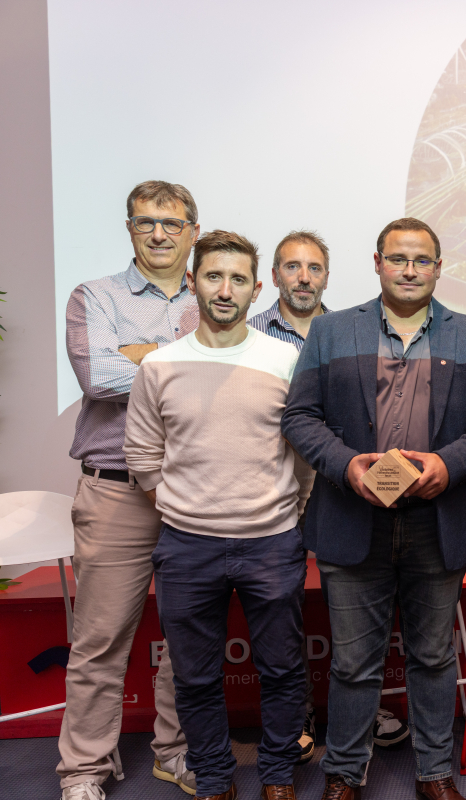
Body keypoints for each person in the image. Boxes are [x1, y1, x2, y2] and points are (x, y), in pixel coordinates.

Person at [282, 217, 466, 800]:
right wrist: (346, 466)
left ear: (438, 268)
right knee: (352, 664)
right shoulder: (331, 331)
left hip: (437, 522)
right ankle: (345, 773)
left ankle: (434, 771)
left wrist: (449, 464)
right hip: (351, 519)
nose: (409, 270)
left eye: (422, 260)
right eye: (398, 259)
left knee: (433, 657)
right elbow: (299, 417)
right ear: (377, 263)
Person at [125, 230, 312, 800]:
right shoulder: (160, 365)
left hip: (272, 542)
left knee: (282, 669)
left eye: (237, 279)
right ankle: (212, 777)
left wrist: (289, 513)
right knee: (195, 675)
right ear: (192, 281)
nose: (225, 290)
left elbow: (304, 455)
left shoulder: (286, 359)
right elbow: (143, 456)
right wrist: (185, 510)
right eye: (213, 276)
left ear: (256, 289)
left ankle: (278, 773)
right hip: (187, 545)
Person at [59, 180, 198, 800]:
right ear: (129, 228)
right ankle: (83, 770)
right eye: (146, 222)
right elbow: (98, 376)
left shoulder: (214, 294)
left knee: (189, 637)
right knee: (100, 641)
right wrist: (183, 364)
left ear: (193, 231)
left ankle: (176, 751)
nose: (159, 234)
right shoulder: (95, 296)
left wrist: (143, 355)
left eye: (172, 223)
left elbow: (224, 379)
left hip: (194, 493)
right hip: (117, 491)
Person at [249, 231, 411, 759]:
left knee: (356, 605)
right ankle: (296, 715)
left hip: (342, 484)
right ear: (274, 275)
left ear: (327, 276)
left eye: (314, 268)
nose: (303, 278)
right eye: (292, 267)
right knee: (282, 607)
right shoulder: (247, 334)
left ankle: (359, 710)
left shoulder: (350, 331)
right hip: (273, 486)